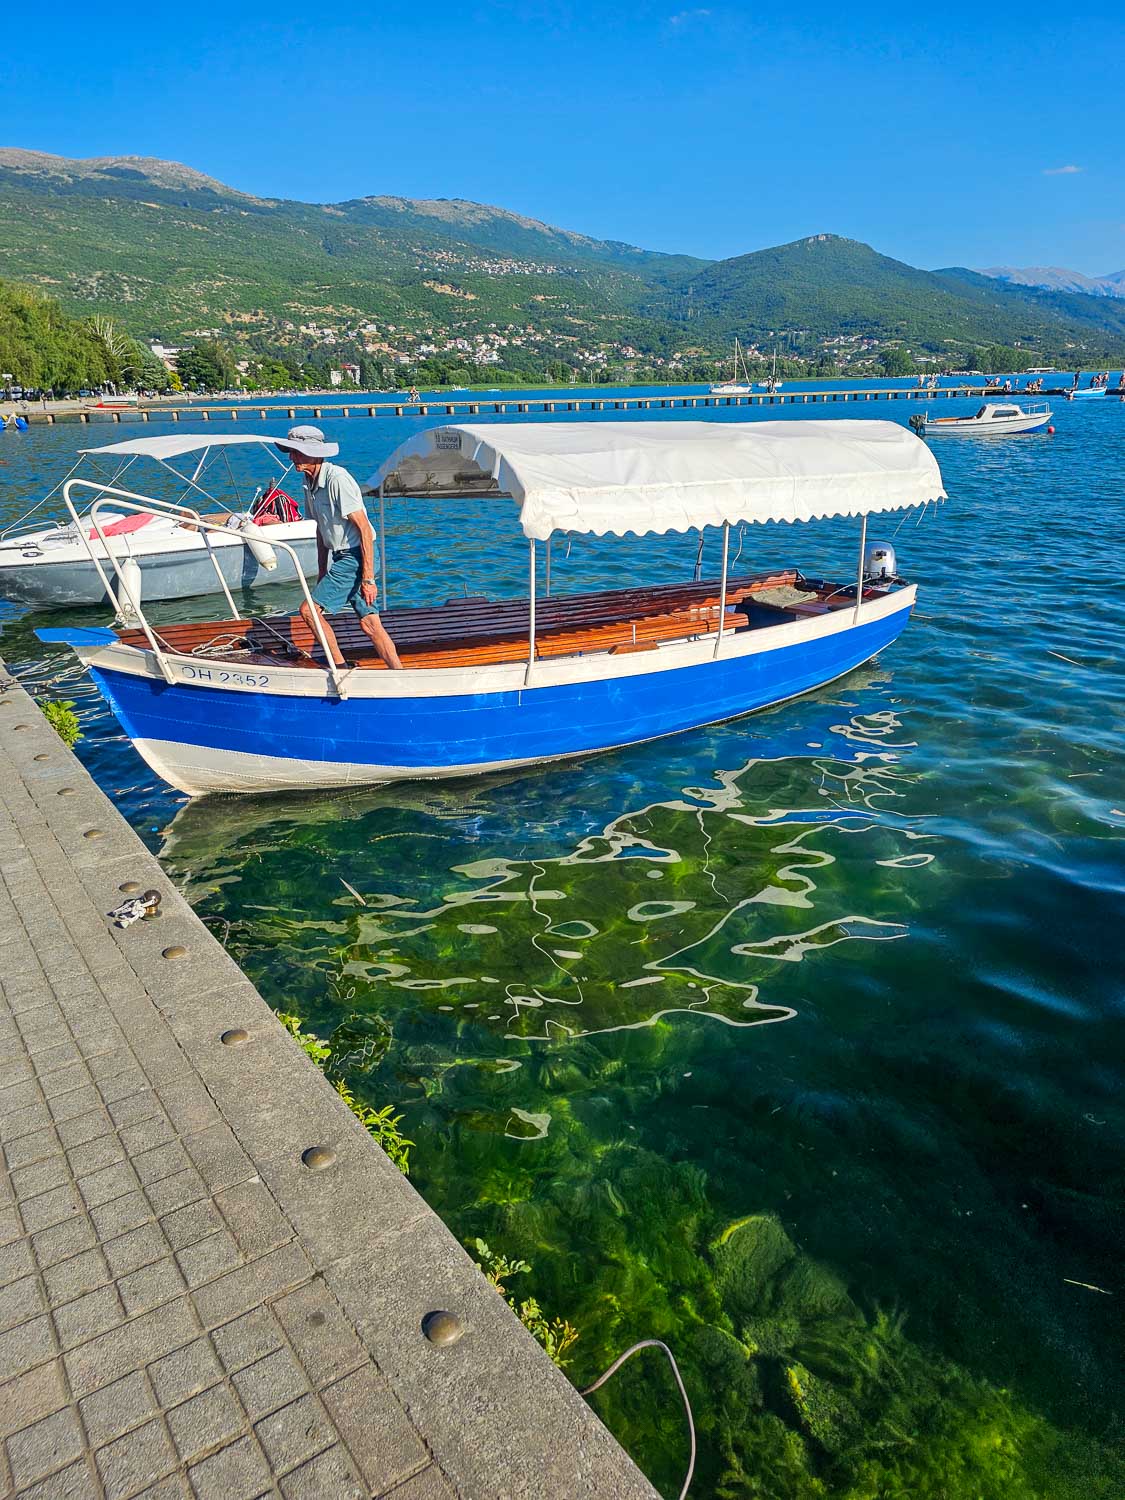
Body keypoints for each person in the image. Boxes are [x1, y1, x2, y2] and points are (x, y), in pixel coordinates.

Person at [274, 425, 402, 671]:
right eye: (291, 452)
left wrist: (368, 579)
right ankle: (399, 673)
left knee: (309, 611)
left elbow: (364, 529)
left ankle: (340, 668)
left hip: (356, 556)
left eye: (296, 452)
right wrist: (322, 571)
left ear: (314, 453)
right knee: (370, 624)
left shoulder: (337, 479)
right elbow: (320, 530)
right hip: (342, 556)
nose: (291, 458)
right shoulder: (308, 482)